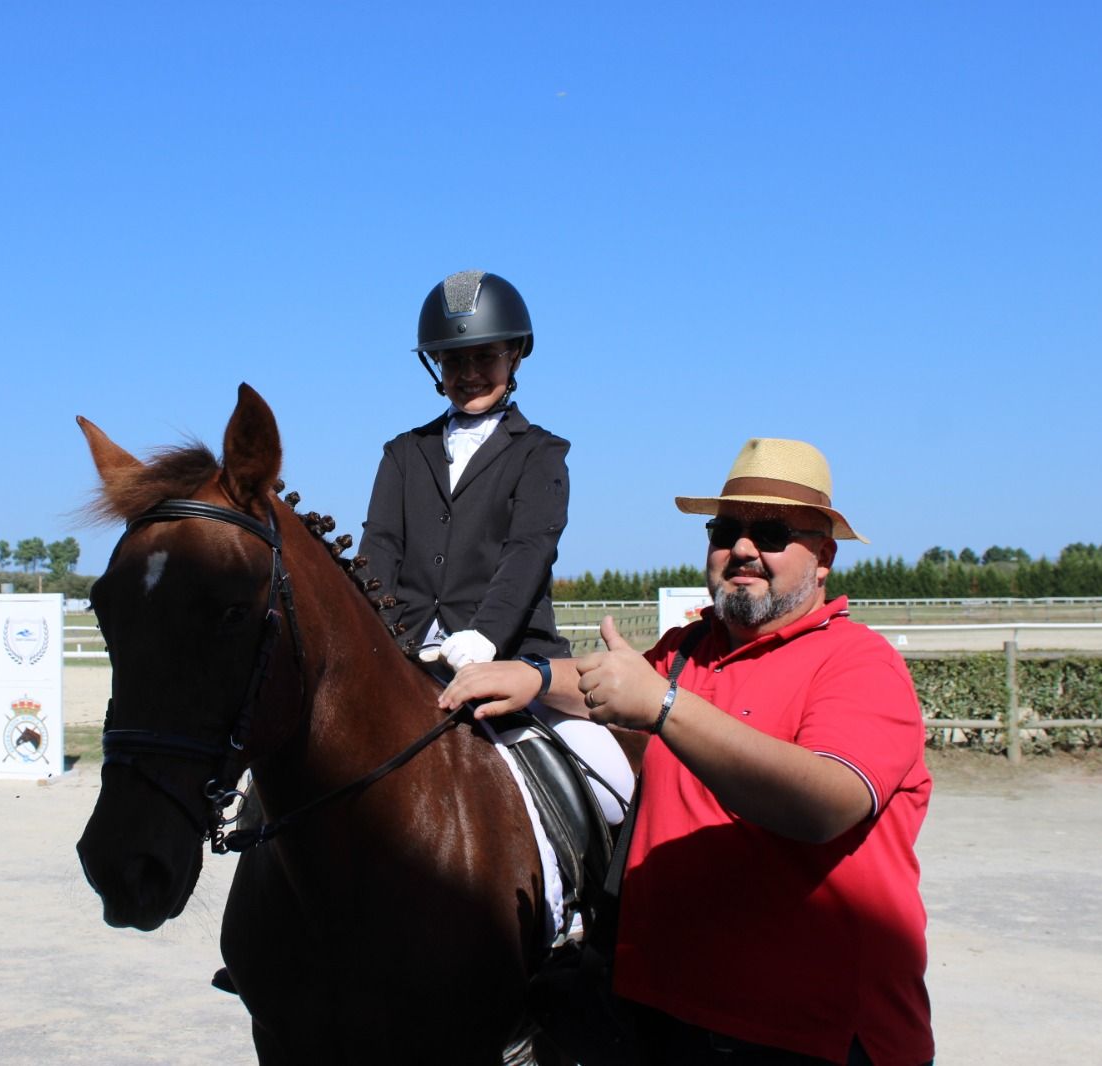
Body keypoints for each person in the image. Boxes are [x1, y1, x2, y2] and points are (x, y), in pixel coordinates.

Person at [439, 438, 934, 1065]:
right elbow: (606, 682)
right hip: (669, 1022)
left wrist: (665, 707)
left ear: (824, 557)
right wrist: (535, 675)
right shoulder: (687, 647)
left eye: (774, 532)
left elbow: (827, 804)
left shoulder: (859, 663)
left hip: (811, 1036)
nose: (744, 551)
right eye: (726, 530)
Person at [360, 269, 632, 823]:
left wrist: (485, 636)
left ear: (515, 358)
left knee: (613, 786)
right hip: (410, 657)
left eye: (484, 357)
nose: (468, 374)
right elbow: (379, 548)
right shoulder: (402, 453)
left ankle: (590, 906)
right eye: (453, 361)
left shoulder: (541, 454)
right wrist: (376, 639)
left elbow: (529, 551)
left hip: (514, 658)